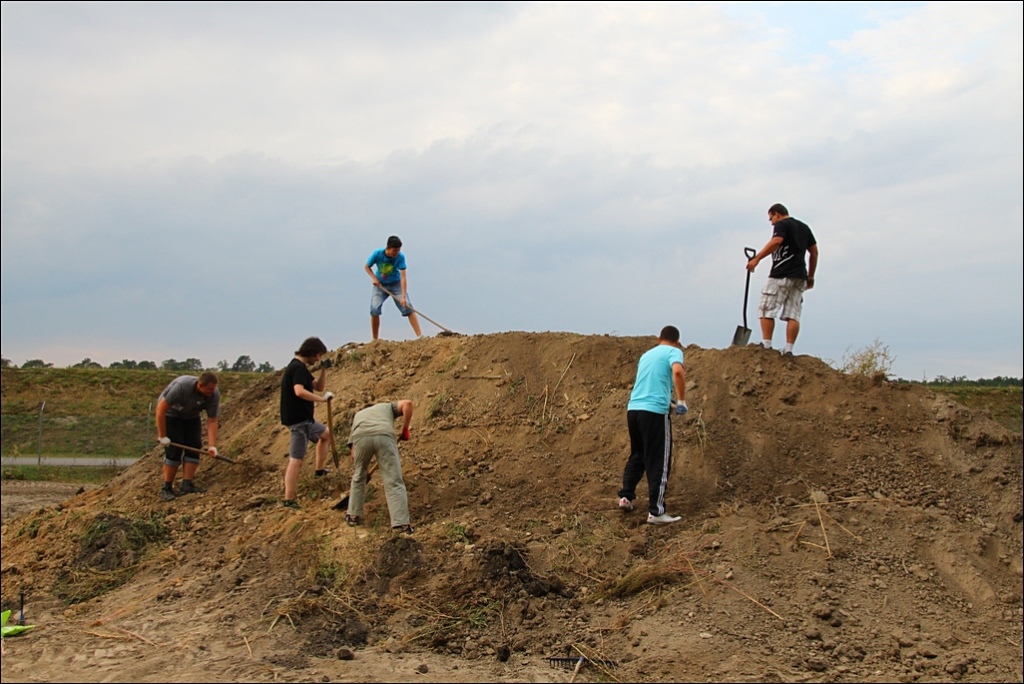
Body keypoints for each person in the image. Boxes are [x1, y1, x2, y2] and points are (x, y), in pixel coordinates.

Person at [617, 326, 688, 525]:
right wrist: (681, 401)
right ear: (677, 341)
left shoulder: (647, 355)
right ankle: (656, 512)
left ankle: (625, 497)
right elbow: (678, 372)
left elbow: (652, 383)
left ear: (659, 338)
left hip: (634, 410)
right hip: (655, 412)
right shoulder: (674, 351)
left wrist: (669, 399)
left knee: (638, 454)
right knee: (659, 460)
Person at [746, 203, 818, 356]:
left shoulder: (782, 225)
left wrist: (757, 259)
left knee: (766, 308)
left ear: (776, 214)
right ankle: (789, 350)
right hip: (799, 276)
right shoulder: (804, 227)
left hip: (781, 273)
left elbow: (776, 241)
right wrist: (810, 276)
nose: (771, 222)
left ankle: (766, 344)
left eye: (771, 218)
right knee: (793, 313)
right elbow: (814, 252)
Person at [345, 399, 414, 534]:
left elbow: (353, 452)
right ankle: (401, 524)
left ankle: (353, 515)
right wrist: (405, 429)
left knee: (358, 476)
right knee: (393, 480)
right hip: (384, 435)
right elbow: (408, 404)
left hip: (361, 437)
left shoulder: (359, 415)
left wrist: (363, 471)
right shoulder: (387, 407)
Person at [280, 336, 334, 510]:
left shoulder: (302, 369)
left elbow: (317, 386)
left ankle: (319, 471)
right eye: (318, 355)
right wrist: (321, 400)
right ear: (310, 352)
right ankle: (288, 499)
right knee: (296, 460)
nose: (318, 359)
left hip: (306, 420)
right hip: (298, 422)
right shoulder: (296, 368)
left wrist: (323, 371)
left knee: (326, 435)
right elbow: (299, 391)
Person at [155, 372, 220, 501]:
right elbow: (160, 409)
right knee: (174, 451)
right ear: (200, 385)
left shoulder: (214, 394)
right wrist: (162, 436)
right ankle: (167, 488)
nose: (212, 392)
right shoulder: (182, 387)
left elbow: (212, 420)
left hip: (191, 416)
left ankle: (187, 485)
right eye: (209, 389)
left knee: (194, 446)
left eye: (213, 389)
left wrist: (212, 446)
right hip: (171, 413)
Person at [365, 235, 423, 340]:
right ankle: (375, 339)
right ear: (388, 248)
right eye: (394, 251)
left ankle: (420, 336)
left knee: (408, 306)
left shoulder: (400, 257)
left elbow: (403, 277)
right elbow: (367, 266)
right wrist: (374, 278)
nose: (396, 253)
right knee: (374, 308)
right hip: (380, 285)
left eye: (398, 250)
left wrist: (403, 297)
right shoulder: (377, 254)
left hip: (396, 284)